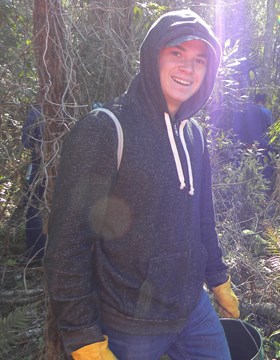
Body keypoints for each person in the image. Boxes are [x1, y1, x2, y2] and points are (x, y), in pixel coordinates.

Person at [44, 9, 239, 360]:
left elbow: (202, 219)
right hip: (129, 322)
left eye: (199, 60)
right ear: (153, 56)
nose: (187, 68)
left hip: (192, 310)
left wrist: (218, 278)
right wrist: (83, 336)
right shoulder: (105, 130)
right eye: (176, 53)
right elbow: (66, 245)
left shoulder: (193, 136)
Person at [21, 104, 47, 261]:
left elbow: (26, 141)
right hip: (53, 168)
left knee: (33, 206)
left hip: (39, 168)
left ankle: (36, 253)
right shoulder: (69, 108)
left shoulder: (36, 111)